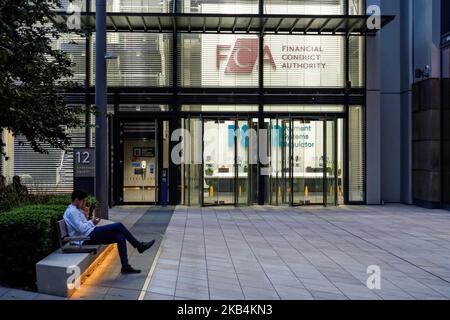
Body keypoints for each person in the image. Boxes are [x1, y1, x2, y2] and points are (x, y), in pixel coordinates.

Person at [63, 190, 155, 274]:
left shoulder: (76, 210)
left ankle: (125, 266)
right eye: (83, 201)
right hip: (85, 238)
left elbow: (82, 226)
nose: (84, 203)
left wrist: (89, 219)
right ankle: (139, 246)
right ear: (76, 200)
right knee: (118, 226)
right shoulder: (72, 212)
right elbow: (82, 229)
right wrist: (91, 222)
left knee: (120, 237)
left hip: (89, 234)